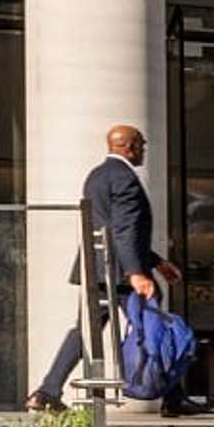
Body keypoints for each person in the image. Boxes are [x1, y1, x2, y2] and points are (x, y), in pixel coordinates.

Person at [29, 124, 171, 410]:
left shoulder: (97, 175)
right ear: (129, 146)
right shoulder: (125, 179)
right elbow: (124, 230)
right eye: (141, 144)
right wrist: (137, 273)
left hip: (98, 268)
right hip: (121, 274)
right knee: (155, 327)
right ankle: (172, 395)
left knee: (85, 330)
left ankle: (46, 392)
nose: (143, 150)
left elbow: (111, 228)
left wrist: (157, 261)